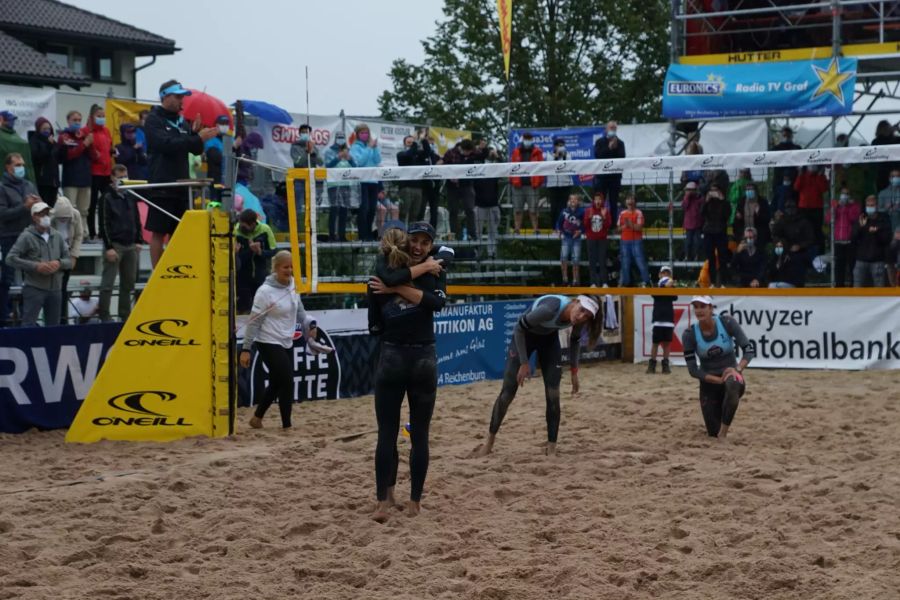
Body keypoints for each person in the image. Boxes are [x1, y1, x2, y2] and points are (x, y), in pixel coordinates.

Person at [367, 221, 447, 521]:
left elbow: (374, 324)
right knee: (415, 435)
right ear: (405, 241)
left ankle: (386, 501)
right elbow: (434, 302)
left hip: (395, 354)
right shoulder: (425, 268)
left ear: (431, 245)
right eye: (415, 240)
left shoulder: (393, 271)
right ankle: (409, 503)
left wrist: (394, 291)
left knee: (390, 433)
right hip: (420, 355)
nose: (419, 246)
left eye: (425, 242)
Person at [471, 294, 601, 458]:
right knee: (508, 392)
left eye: (587, 315)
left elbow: (574, 340)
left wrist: (574, 371)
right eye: (582, 310)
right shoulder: (549, 309)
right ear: (574, 302)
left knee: (553, 395)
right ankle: (489, 443)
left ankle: (552, 448)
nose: (582, 316)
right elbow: (519, 328)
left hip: (549, 341)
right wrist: (525, 363)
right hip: (525, 338)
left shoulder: (577, 318)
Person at [145, 80, 217, 267]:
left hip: (182, 184)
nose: (181, 100)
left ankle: (176, 269)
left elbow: (192, 149)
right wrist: (193, 139)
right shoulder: (154, 119)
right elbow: (165, 144)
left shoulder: (182, 121)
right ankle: (158, 273)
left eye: (182, 96)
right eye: (177, 96)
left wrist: (197, 137)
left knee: (180, 231)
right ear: (165, 97)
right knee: (159, 231)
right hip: (162, 183)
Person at [239, 251, 309, 429]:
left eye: (292, 266)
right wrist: (246, 349)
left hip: (286, 339)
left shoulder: (293, 283)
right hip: (267, 341)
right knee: (286, 380)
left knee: (278, 381)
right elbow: (254, 322)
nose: (290, 270)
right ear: (276, 268)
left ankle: (257, 418)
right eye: (286, 267)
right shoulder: (264, 292)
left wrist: (311, 325)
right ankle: (287, 425)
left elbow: (299, 308)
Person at [682, 295, 754, 439]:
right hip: (710, 383)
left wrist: (737, 369)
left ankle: (724, 433)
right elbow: (693, 370)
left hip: (732, 375)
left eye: (703, 306)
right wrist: (718, 380)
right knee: (712, 432)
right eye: (696, 307)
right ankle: (718, 431)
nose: (699, 310)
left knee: (732, 382)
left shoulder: (727, 322)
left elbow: (749, 350)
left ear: (711, 308)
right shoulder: (689, 334)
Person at [5, 201, 72, 326]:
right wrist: (35, 266)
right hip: (34, 288)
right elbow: (10, 258)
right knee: (28, 324)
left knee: (54, 326)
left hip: (56, 289)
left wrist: (59, 263)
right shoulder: (26, 236)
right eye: (41, 214)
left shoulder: (57, 236)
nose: (45, 217)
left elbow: (69, 261)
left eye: (47, 213)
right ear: (34, 217)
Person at [98, 165, 142, 322]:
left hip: (130, 244)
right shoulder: (106, 198)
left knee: (128, 283)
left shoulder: (130, 195)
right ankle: (104, 315)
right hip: (115, 244)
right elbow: (104, 224)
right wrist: (109, 247)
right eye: (120, 177)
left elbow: (136, 219)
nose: (124, 180)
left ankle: (125, 315)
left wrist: (138, 239)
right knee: (108, 283)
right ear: (112, 178)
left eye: (125, 177)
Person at [0, 153, 40, 326]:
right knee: (7, 277)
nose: (21, 168)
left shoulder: (29, 185)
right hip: (9, 236)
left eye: (22, 164)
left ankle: (28, 316)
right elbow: (2, 214)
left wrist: (38, 205)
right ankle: (4, 315)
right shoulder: (2, 188)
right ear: (8, 167)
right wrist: (24, 207)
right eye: (17, 165)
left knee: (31, 278)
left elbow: (37, 207)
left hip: (29, 235)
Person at [58, 110, 93, 239]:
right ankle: (71, 235)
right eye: (74, 120)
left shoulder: (84, 135)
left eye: (79, 120)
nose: (77, 122)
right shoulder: (64, 136)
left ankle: (84, 234)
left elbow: (94, 156)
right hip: (71, 179)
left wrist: (89, 142)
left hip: (85, 178)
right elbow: (69, 155)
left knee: (84, 210)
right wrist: (84, 144)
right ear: (68, 121)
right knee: (70, 209)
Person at [235, 209, 277, 313]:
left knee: (261, 309)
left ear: (253, 224)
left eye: (244, 226)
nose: (241, 228)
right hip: (242, 277)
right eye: (240, 225)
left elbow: (273, 251)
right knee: (243, 309)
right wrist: (248, 250)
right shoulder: (235, 232)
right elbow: (236, 259)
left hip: (260, 276)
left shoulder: (265, 229)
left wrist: (260, 252)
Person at [49, 195, 83, 324]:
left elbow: (79, 235)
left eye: (65, 218)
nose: (63, 220)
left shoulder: (76, 215)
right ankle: (54, 319)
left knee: (63, 287)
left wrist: (74, 255)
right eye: (61, 218)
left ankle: (62, 319)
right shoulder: (50, 217)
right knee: (54, 288)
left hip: (68, 252)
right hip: (54, 253)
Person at [84, 104, 113, 242]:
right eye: (99, 116)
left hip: (106, 172)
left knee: (106, 202)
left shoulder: (106, 131)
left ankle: (104, 231)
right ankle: (91, 232)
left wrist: (112, 152)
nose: (101, 118)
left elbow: (109, 148)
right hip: (94, 172)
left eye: (103, 116)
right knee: (92, 203)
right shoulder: (87, 131)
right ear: (92, 117)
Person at [350, 123, 382, 241]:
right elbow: (359, 162)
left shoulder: (371, 146)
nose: (365, 135)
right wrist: (368, 148)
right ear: (358, 134)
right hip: (362, 182)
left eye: (366, 133)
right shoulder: (355, 147)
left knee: (372, 209)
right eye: (362, 133)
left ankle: (368, 234)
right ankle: (362, 235)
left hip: (373, 181)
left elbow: (377, 160)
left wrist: (375, 148)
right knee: (364, 209)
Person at [443, 139, 480, 240]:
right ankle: (454, 234)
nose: (468, 153)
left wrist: (479, 148)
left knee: (469, 209)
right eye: (466, 151)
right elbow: (443, 166)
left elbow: (482, 154)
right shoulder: (450, 153)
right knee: (453, 211)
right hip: (452, 187)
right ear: (461, 148)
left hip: (467, 185)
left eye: (469, 152)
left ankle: (472, 234)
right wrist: (449, 176)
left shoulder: (473, 152)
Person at [852, 195, 892, 287]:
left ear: (877, 206)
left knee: (879, 290)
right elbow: (853, 237)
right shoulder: (861, 218)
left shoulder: (884, 219)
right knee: (857, 288)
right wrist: (860, 227)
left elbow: (887, 239)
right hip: (861, 260)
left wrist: (876, 233)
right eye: (868, 205)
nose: (870, 207)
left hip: (878, 260)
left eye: (872, 205)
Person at [826, 186, 861, 287]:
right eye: (843, 193)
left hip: (850, 242)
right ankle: (839, 287)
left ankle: (853, 287)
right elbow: (828, 219)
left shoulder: (855, 206)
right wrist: (836, 207)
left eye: (847, 193)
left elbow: (853, 218)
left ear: (850, 195)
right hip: (838, 242)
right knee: (839, 267)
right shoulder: (835, 205)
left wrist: (847, 207)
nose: (844, 196)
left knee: (852, 266)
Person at [509, 133, 544, 234]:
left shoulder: (538, 152)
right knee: (517, 209)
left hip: (533, 185)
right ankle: (517, 229)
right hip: (518, 185)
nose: (527, 140)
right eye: (526, 138)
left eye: (529, 138)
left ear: (532, 139)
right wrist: (512, 180)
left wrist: (539, 181)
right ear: (522, 139)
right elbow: (512, 167)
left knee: (533, 209)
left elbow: (542, 168)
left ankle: (536, 229)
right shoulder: (516, 152)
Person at [323, 133, 355, 241]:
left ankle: (342, 236)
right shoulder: (329, 151)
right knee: (334, 209)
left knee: (344, 211)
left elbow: (356, 167)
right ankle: (331, 235)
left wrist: (349, 159)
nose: (340, 140)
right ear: (335, 139)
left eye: (342, 137)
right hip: (333, 184)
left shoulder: (349, 152)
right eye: (339, 137)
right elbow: (328, 165)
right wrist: (338, 157)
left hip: (346, 184)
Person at [593, 121, 625, 225]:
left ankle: (612, 226)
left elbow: (622, 158)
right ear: (606, 129)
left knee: (613, 202)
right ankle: (600, 223)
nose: (612, 130)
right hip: (602, 177)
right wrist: (609, 148)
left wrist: (614, 148)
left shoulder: (620, 143)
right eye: (610, 128)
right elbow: (598, 156)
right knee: (599, 201)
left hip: (614, 178)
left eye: (614, 128)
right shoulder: (599, 142)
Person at [473, 146, 501, 259]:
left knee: (493, 231)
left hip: (493, 204)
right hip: (480, 205)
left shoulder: (496, 168)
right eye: (490, 152)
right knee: (478, 231)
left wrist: (497, 156)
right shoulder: (478, 166)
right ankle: (477, 253)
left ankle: (491, 253)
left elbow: (506, 167)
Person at [647, 266, 676, 374]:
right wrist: (663, 285)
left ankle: (665, 365)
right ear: (659, 275)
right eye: (663, 273)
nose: (665, 275)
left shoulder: (672, 287)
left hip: (668, 319)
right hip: (658, 319)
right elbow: (654, 294)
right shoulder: (656, 286)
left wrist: (669, 285)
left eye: (667, 273)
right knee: (655, 343)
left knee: (667, 343)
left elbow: (675, 297)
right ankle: (652, 365)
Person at [617, 193, 651, 286]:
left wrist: (630, 224)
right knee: (625, 262)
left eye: (632, 199)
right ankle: (626, 283)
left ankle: (646, 282)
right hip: (624, 241)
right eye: (628, 199)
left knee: (640, 261)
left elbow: (639, 228)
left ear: (635, 202)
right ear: (625, 202)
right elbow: (618, 229)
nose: (630, 201)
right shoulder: (622, 213)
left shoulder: (639, 213)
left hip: (636, 240)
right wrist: (626, 225)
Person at [701, 185, 731, 287]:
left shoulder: (724, 203)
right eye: (711, 190)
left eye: (715, 190)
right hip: (709, 232)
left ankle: (724, 282)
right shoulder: (707, 202)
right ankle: (712, 282)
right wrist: (706, 201)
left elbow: (727, 214)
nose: (713, 192)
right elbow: (701, 213)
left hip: (721, 232)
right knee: (711, 258)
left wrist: (722, 199)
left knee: (723, 257)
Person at [793, 165, 828, 250]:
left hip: (816, 208)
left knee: (817, 231)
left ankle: (818, 251)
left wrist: (820, 176)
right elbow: (796, 187)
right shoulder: (803, 175)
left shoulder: (820, 176)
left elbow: (824, 189)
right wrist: (800, 174)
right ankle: (804, 250)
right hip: (804, 208)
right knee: (803, 230)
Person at [28, 117, 61, 207]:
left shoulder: (52, 142)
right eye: (44, 129)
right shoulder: (34, 141)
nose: (47, 131)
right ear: (38, 129)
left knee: (51, 207)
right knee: (43, 207)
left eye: (49, 128)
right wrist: (49, 146)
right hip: (42, 181)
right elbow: (38, 158)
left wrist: (64, 147)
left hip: (53, 181)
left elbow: (59, 159)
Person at [583, 191, 611, 286]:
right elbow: (585, 226)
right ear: (593, 201)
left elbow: (608, 226)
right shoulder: (588, 211)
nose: (598, 201)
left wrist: (603, 217)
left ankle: (604, 282)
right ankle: (593, 283)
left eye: (599, 199)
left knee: (602, 260)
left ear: (602, 200)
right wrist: (588, 218)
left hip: (602, 239)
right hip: (591, 239)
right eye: (596, 199)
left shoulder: (605, 210)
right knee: (592, 261)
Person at [733, 181, 771, 248]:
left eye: (751, 189)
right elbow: (736, 221)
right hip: (744, 235)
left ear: (756, 190)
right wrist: (739, 217)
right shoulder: (742, 201)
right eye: (747, 189)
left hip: (759, 236)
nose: (749, 191)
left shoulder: (762, 202)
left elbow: (767, 219)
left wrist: (758, 213)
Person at [0, 111, 34, 184]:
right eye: (9, 120)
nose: (11, 122)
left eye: (12, 120)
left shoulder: (15, 135)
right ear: (2, 120)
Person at [557, 193, 584, 286]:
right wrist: (559, 230)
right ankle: (565, 279)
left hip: (576, 238)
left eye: (575, 199)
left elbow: (585, 224)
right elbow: (559, 223)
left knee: (576, 259)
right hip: (566, 237)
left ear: (578, 201)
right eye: (571, 199)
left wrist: (580, 231)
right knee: (564, 257)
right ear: (568, 201)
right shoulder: (564, 211)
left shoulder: (582, 212)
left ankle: (575, 280)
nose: (573, 200)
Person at [203, 116, 230, 202]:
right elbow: (215, 157)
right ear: (216, 125)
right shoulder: (211, 140)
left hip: (228, 179)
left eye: (226, 124)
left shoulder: (229, 139)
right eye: (222, 124)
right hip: (215, 179)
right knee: (215, 203)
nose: (225, 126)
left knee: (227, 203)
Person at [546, 137, 571, 225]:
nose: (561, 147)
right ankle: (554, 227)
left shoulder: (568, 155)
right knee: (554, 208)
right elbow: (550, 166)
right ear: (555, 147)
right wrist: (556, 157)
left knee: (564, 207)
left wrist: (563, 156)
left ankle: (563, 226)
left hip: (565, 185)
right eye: (559, 145)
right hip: (553, 185)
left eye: (562, 145)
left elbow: (569, 165)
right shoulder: (549, 155)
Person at [870, 120, 900, 192]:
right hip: (883, 173)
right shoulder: (877, 141)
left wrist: (897, 131)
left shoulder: (895, 139)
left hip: (895, 171)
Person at [681, 181, 704, 261]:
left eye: (691, 190)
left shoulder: (699, 198)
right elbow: (684, 206)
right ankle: (687, 256)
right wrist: (687, 197)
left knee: (697, 241)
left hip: (697, 224)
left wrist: (697, 195)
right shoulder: (686, 198)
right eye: (688, 190)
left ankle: (697, 256)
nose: (689, 191)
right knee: (688, 242)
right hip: (688, 224)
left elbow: (701, 206)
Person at [876, 168, 900, 234]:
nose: (896, 178)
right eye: (893, 176)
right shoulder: (883, 193)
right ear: (889, 178)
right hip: (886, 228)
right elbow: (877, 210)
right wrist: (886, 208)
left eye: (898, 176)